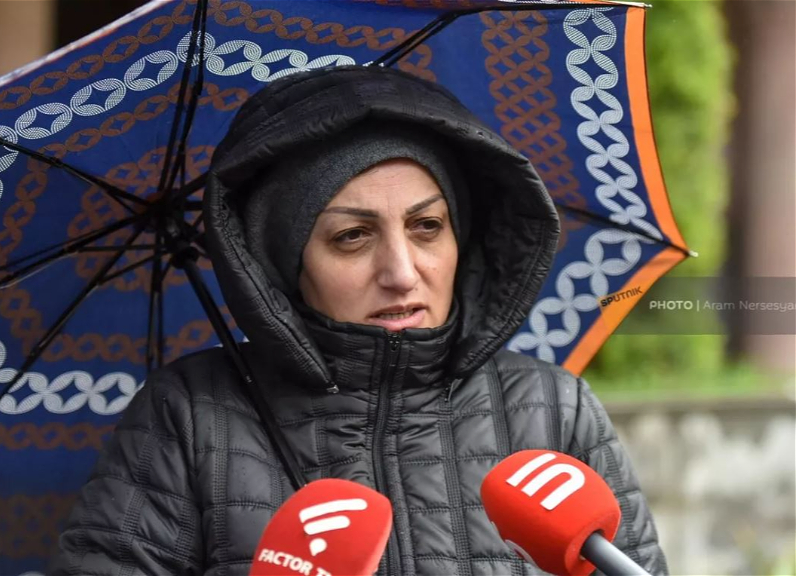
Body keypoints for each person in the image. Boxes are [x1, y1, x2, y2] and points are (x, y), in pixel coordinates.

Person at [50, 65, 668, 575]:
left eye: (427, 226)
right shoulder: (188, 414)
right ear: (286, 261)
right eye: (352, 236)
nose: (401, 271)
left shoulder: (555, 409)